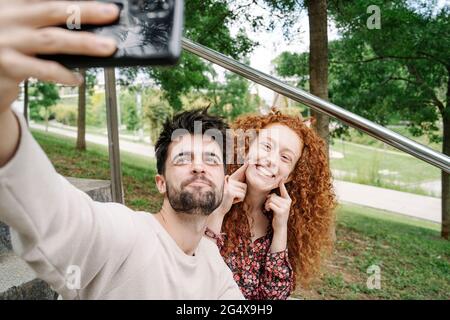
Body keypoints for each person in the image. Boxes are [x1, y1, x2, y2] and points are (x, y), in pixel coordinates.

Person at [0, 1, 243, 300]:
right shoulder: (126, 235)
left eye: (211, 159)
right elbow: (55, 216)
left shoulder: (214, 265)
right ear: (160, 182)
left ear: (224, 182)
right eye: (183, 158)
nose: (199, 166)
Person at [206, 109, 337, 299]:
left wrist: (280, 228)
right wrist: (219, 211)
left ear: (291, 174)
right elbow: (197, 270)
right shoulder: (209, 193)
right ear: (248, 149)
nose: (271, 160)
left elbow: (273, 297)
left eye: (285, 157)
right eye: (267, 147)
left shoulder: (285, 223)